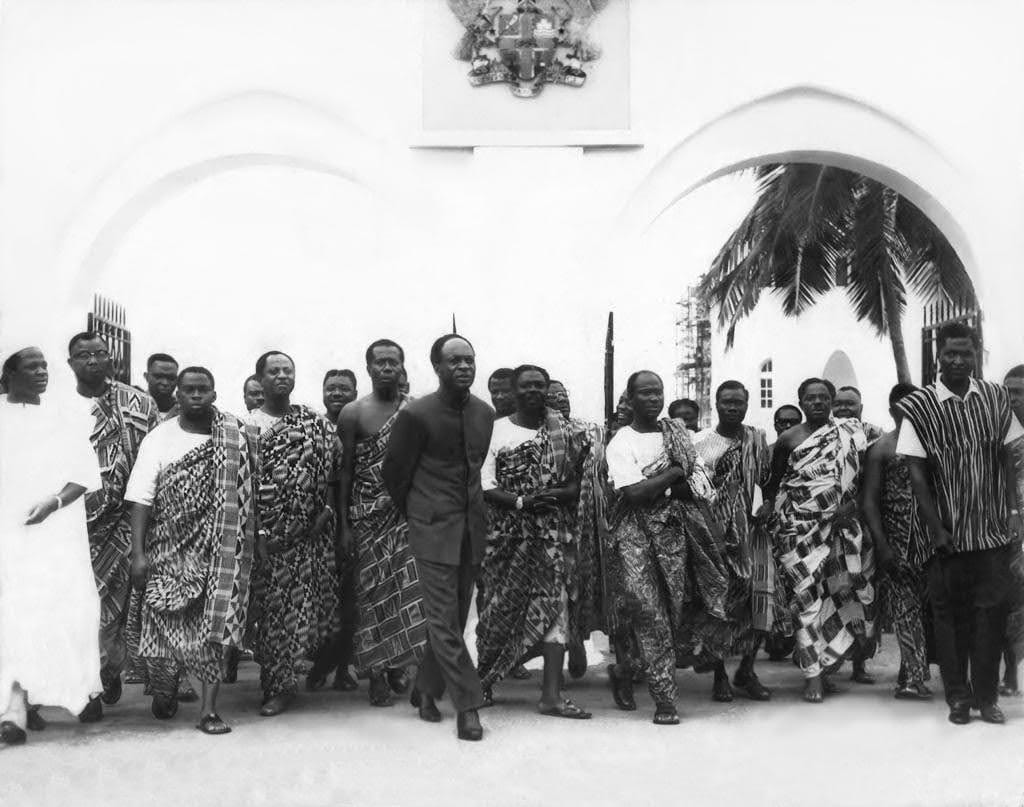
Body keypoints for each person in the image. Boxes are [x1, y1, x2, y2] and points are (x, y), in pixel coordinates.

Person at [896, 324, 1024, 725]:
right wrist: (936, 528)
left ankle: (987, 698)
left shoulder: (996, 398)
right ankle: (957, 697)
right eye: (950, 354)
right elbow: (916, 474)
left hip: (991, 533)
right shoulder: (919, 406)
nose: (957, 361)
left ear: (975, 355)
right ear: (939, 356)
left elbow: (1008, 459)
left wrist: (1013, 511)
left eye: (965, 354)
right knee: (949, 618)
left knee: (991, 615)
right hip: (944, 535)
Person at [124, 367, 258, 734]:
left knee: (211, 631)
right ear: (179, 396)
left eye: (203, 389)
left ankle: (208, 711)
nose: (196, 395)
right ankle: (165, 685)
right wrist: (138, 553)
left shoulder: (236, 438)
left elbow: (248, 497)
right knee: (162, 618)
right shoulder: (159, 438)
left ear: (214, 394)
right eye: (189, 390)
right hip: (167, 544)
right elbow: (140, 498)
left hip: (218, 549)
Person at [382, 334, 493, 741]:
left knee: (453, 620)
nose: (464, 367)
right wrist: (419, 513)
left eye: (469, 359)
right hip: (431, 530)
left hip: (472, 531)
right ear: (437, 368)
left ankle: (425, 689)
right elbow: (394, 473)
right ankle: (469, 706)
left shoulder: (485, 413)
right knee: (444, 621)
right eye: (454, 361)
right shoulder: (417, 414)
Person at [0, 346, 104, 745]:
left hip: (56, 536)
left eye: (45, 365)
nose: (43, 372)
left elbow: (83, 476)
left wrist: (53, 502)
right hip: (10, 537)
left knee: (63, 612)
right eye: (32, 366)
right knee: (12, 615)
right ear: (9, 374)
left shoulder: (63, 418)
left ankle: (72, 694)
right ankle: (14, 709)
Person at [477, 364, 594, 719]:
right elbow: (484, 483)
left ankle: (552, 696)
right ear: (513, 390)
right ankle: (484, 681)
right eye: (526, 385)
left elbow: (579, 483)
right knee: (500, 609)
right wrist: (521, 502)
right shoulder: (494, 431)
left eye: (539, 385)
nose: (533, 391)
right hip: (507, 536)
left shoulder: (566, 433)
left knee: (555, 610)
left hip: (552, 535)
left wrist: (557, 494)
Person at [605, 370, 716, 725]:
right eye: (646, 393)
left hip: (673, 535)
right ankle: (665, 700)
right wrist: (672, 475)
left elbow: (700, 486)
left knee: (673, 611)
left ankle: (624, 671)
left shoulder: (678, 434)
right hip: (633, 537)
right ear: (630, 398)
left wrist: (663, 486)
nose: (654, 399)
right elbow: (633, 494)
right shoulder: (621, 442)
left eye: (658, 393)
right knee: (649, 611)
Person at [763, 377, 875, 703]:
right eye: (810, 398)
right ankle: (812, 674)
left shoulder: (850, 433)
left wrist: (851, 505)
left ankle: (828, 665)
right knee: (807, 599)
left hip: (841, 529)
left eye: (823, 397)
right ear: (801, 402)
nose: (817, 402)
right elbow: (774, 485)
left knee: (843, 595)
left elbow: (864, 477)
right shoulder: (788, 438)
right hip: (800, 530)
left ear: (830, 400)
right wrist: (768, 509)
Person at [67, 331, 160, 706]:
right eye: (82, 355)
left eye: (99, 353)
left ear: (111, 359)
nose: (92, 360)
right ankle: (90, 685)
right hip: (73, 522)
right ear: (70, 361)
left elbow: (154, 459)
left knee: (118, 607)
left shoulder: (139, 402)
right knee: (80, 605)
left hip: (125, 519)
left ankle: (108, 671)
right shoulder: (60, 405)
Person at [248, 351, 341, 716]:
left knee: (299, 613)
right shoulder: (244, 425)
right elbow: (237, 485)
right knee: (269, 613)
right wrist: (255, 531)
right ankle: (274, 683)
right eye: (274, 371)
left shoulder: (316, 425)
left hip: (308, 535)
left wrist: (328, 511)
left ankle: (286, 683)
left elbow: (333, 474)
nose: (282, 376)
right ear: (260, 379)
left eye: (288, 370)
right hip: (263, 537)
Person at [336, 339, 428, 706]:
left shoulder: (417, 411)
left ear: (403, 366)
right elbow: (344, 473)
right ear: (369, 367)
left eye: (394, 362)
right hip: (366, 516)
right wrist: (343, 525)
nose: (387, 368)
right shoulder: (352, 413)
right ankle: (375, 672)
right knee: (370, 594)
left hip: (407, 516)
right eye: (380, 362)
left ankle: (397, 665)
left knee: (407, 592)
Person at [690, 381, 772, 702]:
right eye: (727, 402)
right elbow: (697, 492)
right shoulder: (702, 444)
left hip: (752, 533)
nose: (733, 408)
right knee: (720, 606)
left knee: (760, 601)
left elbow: (768, 480)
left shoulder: (757, 440)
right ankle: (720, 674)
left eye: (739, 402)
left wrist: (768, 503)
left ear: (747, 403)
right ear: (716, 404)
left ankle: (747, 670)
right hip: (716, 536)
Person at [861, 382, 933, 701]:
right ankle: (911, 680)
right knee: (905, 608)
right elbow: (869, 502)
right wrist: (882, 544)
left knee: (930, 608)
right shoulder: (882, 448)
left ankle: (911, 669)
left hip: (933, 539)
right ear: (892, 410)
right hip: (898, 539)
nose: (911, 412)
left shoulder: (935, 444)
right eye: (903, 406)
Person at [1002, 364, 1024, 697]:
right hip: (1006, 525)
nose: (1013, 398)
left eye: (1019, 392)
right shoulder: (999, 431)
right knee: (1007, 599)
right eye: (1008, 391)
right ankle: (1009, 669)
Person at [144, 353, 180, 421]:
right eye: (158, 377)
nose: (165, 383)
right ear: (147, 377)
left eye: (171, 378)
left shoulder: (183, 408)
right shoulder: (134, 407)